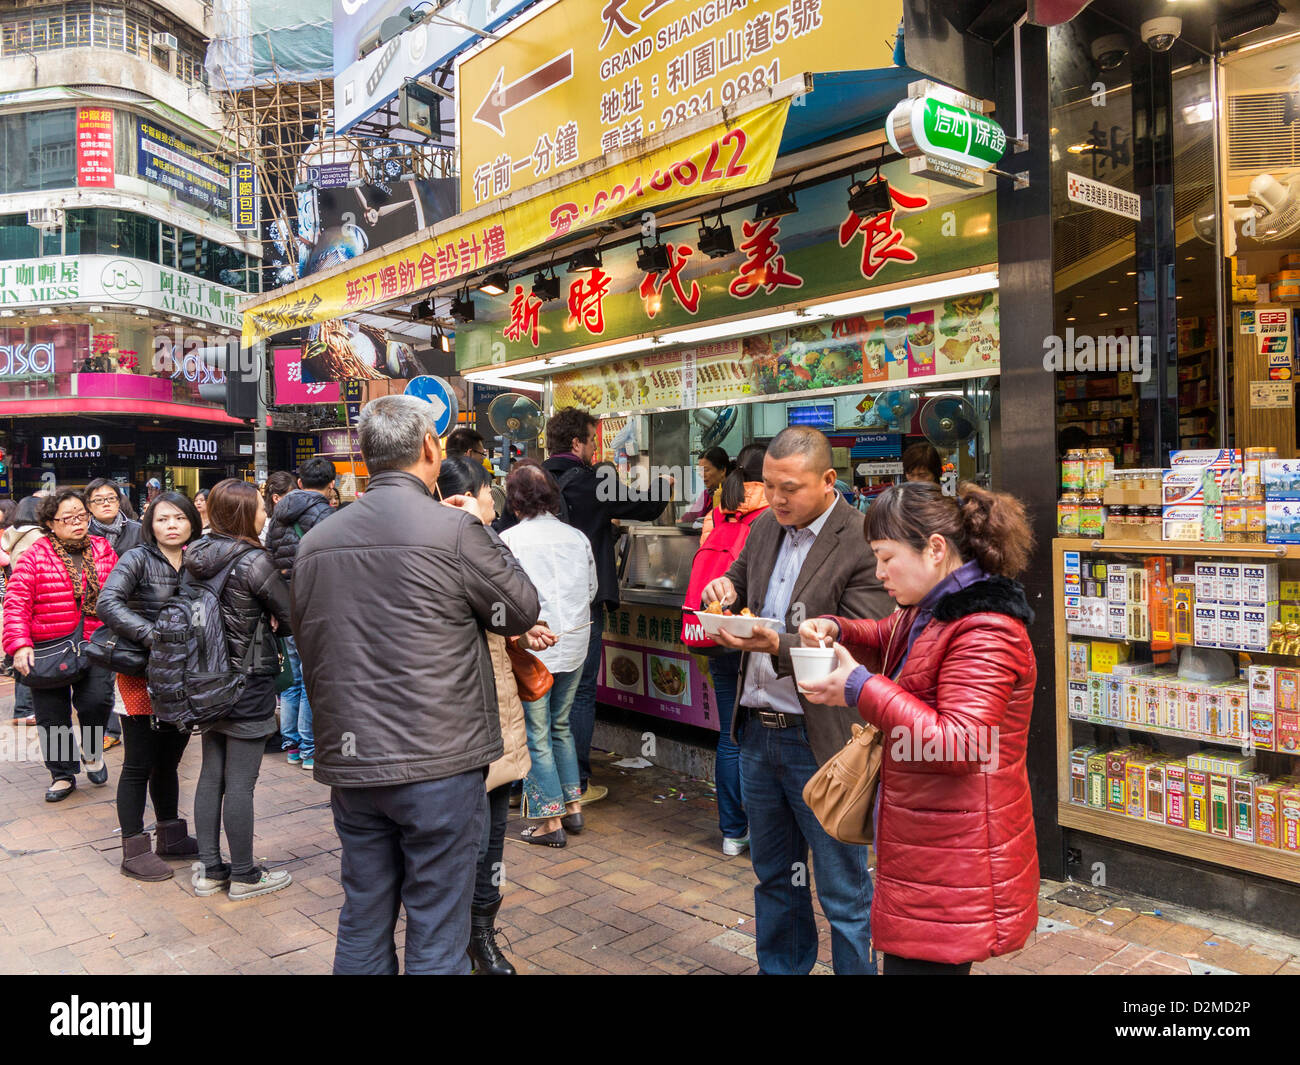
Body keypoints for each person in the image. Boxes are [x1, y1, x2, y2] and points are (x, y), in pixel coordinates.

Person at [291, 394, 540, 975]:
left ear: (367, 455)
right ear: (430, 448)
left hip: (353, 759)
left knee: (364, 909)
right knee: (436, 922)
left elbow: (308, 640)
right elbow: (520, 611)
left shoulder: (315, 542)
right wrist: (480, 530)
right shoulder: (455, 530)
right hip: (439, 759)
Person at [798, 481, 1040, 975]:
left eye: (886, 559)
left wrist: (860, 688)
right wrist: (839, 629)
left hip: (954, 855)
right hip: (930, 842)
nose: (880, 573)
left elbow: (962, 743)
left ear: (934, 549)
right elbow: (890, 636)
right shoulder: (933, 607)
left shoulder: (986, 627)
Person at [701, 426, 892, 976]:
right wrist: (725, 592)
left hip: (824, 740)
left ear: (829, 481)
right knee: (774, 879)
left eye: (790, 488)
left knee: (844, 891)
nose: (777, 499)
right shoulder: (764, 527)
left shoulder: (859, 539)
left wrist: (775, 643)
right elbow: (738, 578)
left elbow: (862, 636)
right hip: (758, 732)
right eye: (769, 486)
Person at [435, 455, 552, 975]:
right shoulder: (452, 541)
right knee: (461, 840)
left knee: (492, 840)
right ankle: (452, 939)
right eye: (489, 494)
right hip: (450, 722)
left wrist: (517, 631)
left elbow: (516, 604)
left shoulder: (482, 541)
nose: (493, 505)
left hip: (497, 711)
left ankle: (481, 935)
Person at [542, 407, 672, 803]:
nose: (596, 447)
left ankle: (531, 783)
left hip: (537, 604)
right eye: (592, 440)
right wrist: (664, 484)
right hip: (582, 603)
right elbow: (644, 507)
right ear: (577, 443)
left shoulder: (531, 479)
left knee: (538, 690)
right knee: (579, 692)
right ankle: (575, 783)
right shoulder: (592, 480)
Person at [186, 479, 295, 901]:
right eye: (260, 508)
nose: (266, 514)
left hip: (205, 678)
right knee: (242, 783)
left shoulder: (193, 556)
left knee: (211, 775)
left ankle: (210, 870)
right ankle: (246, 875)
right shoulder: (254, 561)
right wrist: (270, 621)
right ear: (244, 514)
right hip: (247, 680)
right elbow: (289, 616)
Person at [96, 491, 204, 881]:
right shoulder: (137, 557)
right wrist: (154, 635)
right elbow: (107, 603)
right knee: (138, 764)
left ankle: (171, 836)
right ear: (150, 525)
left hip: (186, 677)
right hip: (141, 673)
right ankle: (133, 849)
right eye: (162, 519)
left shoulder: (201, 558)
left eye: (178, 518)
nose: (171, 525)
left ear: (192, 520)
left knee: (169, 762)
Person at [500, 462, 597, 848]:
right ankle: (572, 806)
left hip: (533, 647)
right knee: (560, 725)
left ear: (515, 500)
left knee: (536, 734)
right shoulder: (577, 537)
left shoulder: (509, 540)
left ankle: (548, 821)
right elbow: (590, 589)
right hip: (574, 642)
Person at [3, 490, 118, 802]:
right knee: (52, 715)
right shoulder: (35, 555)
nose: (77, 523)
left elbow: (118, 593)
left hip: (94, 643)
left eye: (81, 515)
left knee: (97, 702)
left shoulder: (102, 548)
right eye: (67, 519)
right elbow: (16, 604)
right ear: (50, 523)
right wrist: (19, 645)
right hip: (49, 647)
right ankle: (62, 775)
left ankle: (92, 752)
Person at [697, 442, 768, 857]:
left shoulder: (716, 512)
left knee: (729, 732)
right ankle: (764, 829)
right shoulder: (773, 516)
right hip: (759, 633)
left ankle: (732, 832)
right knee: (760, 736)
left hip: (719, 629)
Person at [265, 455, 338, 771]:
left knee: (293, 678)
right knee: (311, 679)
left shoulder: (277, 517)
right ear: (331, 484)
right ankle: (309, 748)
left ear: (299, 483)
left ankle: (292, 743)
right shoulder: (326, 516)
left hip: (285, 605)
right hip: (315, 605)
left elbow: (269, 560)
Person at [3, 496, 43, 725]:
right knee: (32, 655)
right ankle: (26, 709)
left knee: (22, 653)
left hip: (18, 598)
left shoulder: (13, 533)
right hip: (35, 600)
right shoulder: (37, 536)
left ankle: (22, 708)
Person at [86, 478, 143, 556]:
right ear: (89, 506)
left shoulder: (137, 530)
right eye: (99, 500)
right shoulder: (84, 533)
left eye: (111, 498)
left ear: (118, 502)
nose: (106, 503)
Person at [682, 447, 733, 524]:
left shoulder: (734, 495)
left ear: (723, 470)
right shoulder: (706, 495)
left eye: (706, 470)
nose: (702, 474)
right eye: (700, 471)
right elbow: (690, 517)